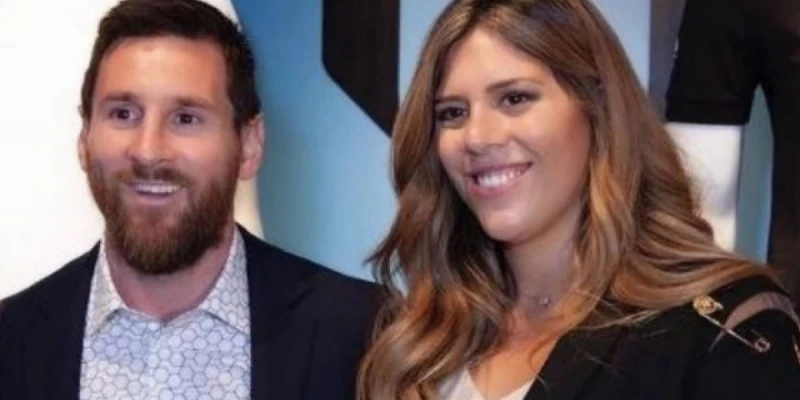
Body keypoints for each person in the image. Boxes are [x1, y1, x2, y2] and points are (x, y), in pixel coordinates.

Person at [357, 0, 800, 399]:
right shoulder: (417, 339)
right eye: (452, 113)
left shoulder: (722, 330)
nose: (477, 137)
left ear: (597, 108)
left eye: (514, 99)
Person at [0, 1, 380, 399]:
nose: (148, 151)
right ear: (84, 138)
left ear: (249, 145)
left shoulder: (363, 337)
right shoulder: (11, 340)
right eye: (123, 114)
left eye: (186, 118)